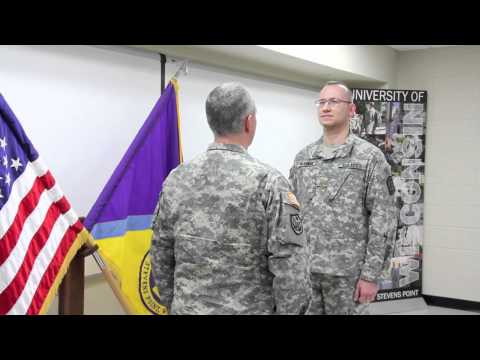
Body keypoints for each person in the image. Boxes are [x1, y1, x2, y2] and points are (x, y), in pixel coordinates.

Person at [150, 82, 311, 315]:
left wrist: (176, 305)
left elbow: (161, 252)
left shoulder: (176, 179)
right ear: (249, 121)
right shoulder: (269, 183)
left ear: (211, 122)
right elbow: (292, 269)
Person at [289, 81, 396, 315]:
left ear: (351, 109)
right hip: (307, 273)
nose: (325, 107)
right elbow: (291, 216)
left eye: (334, 101)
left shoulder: (370, 158)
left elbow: (383, 221)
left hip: (349, 275)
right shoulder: (304, 158)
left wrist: (371, 275)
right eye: (322, 102)